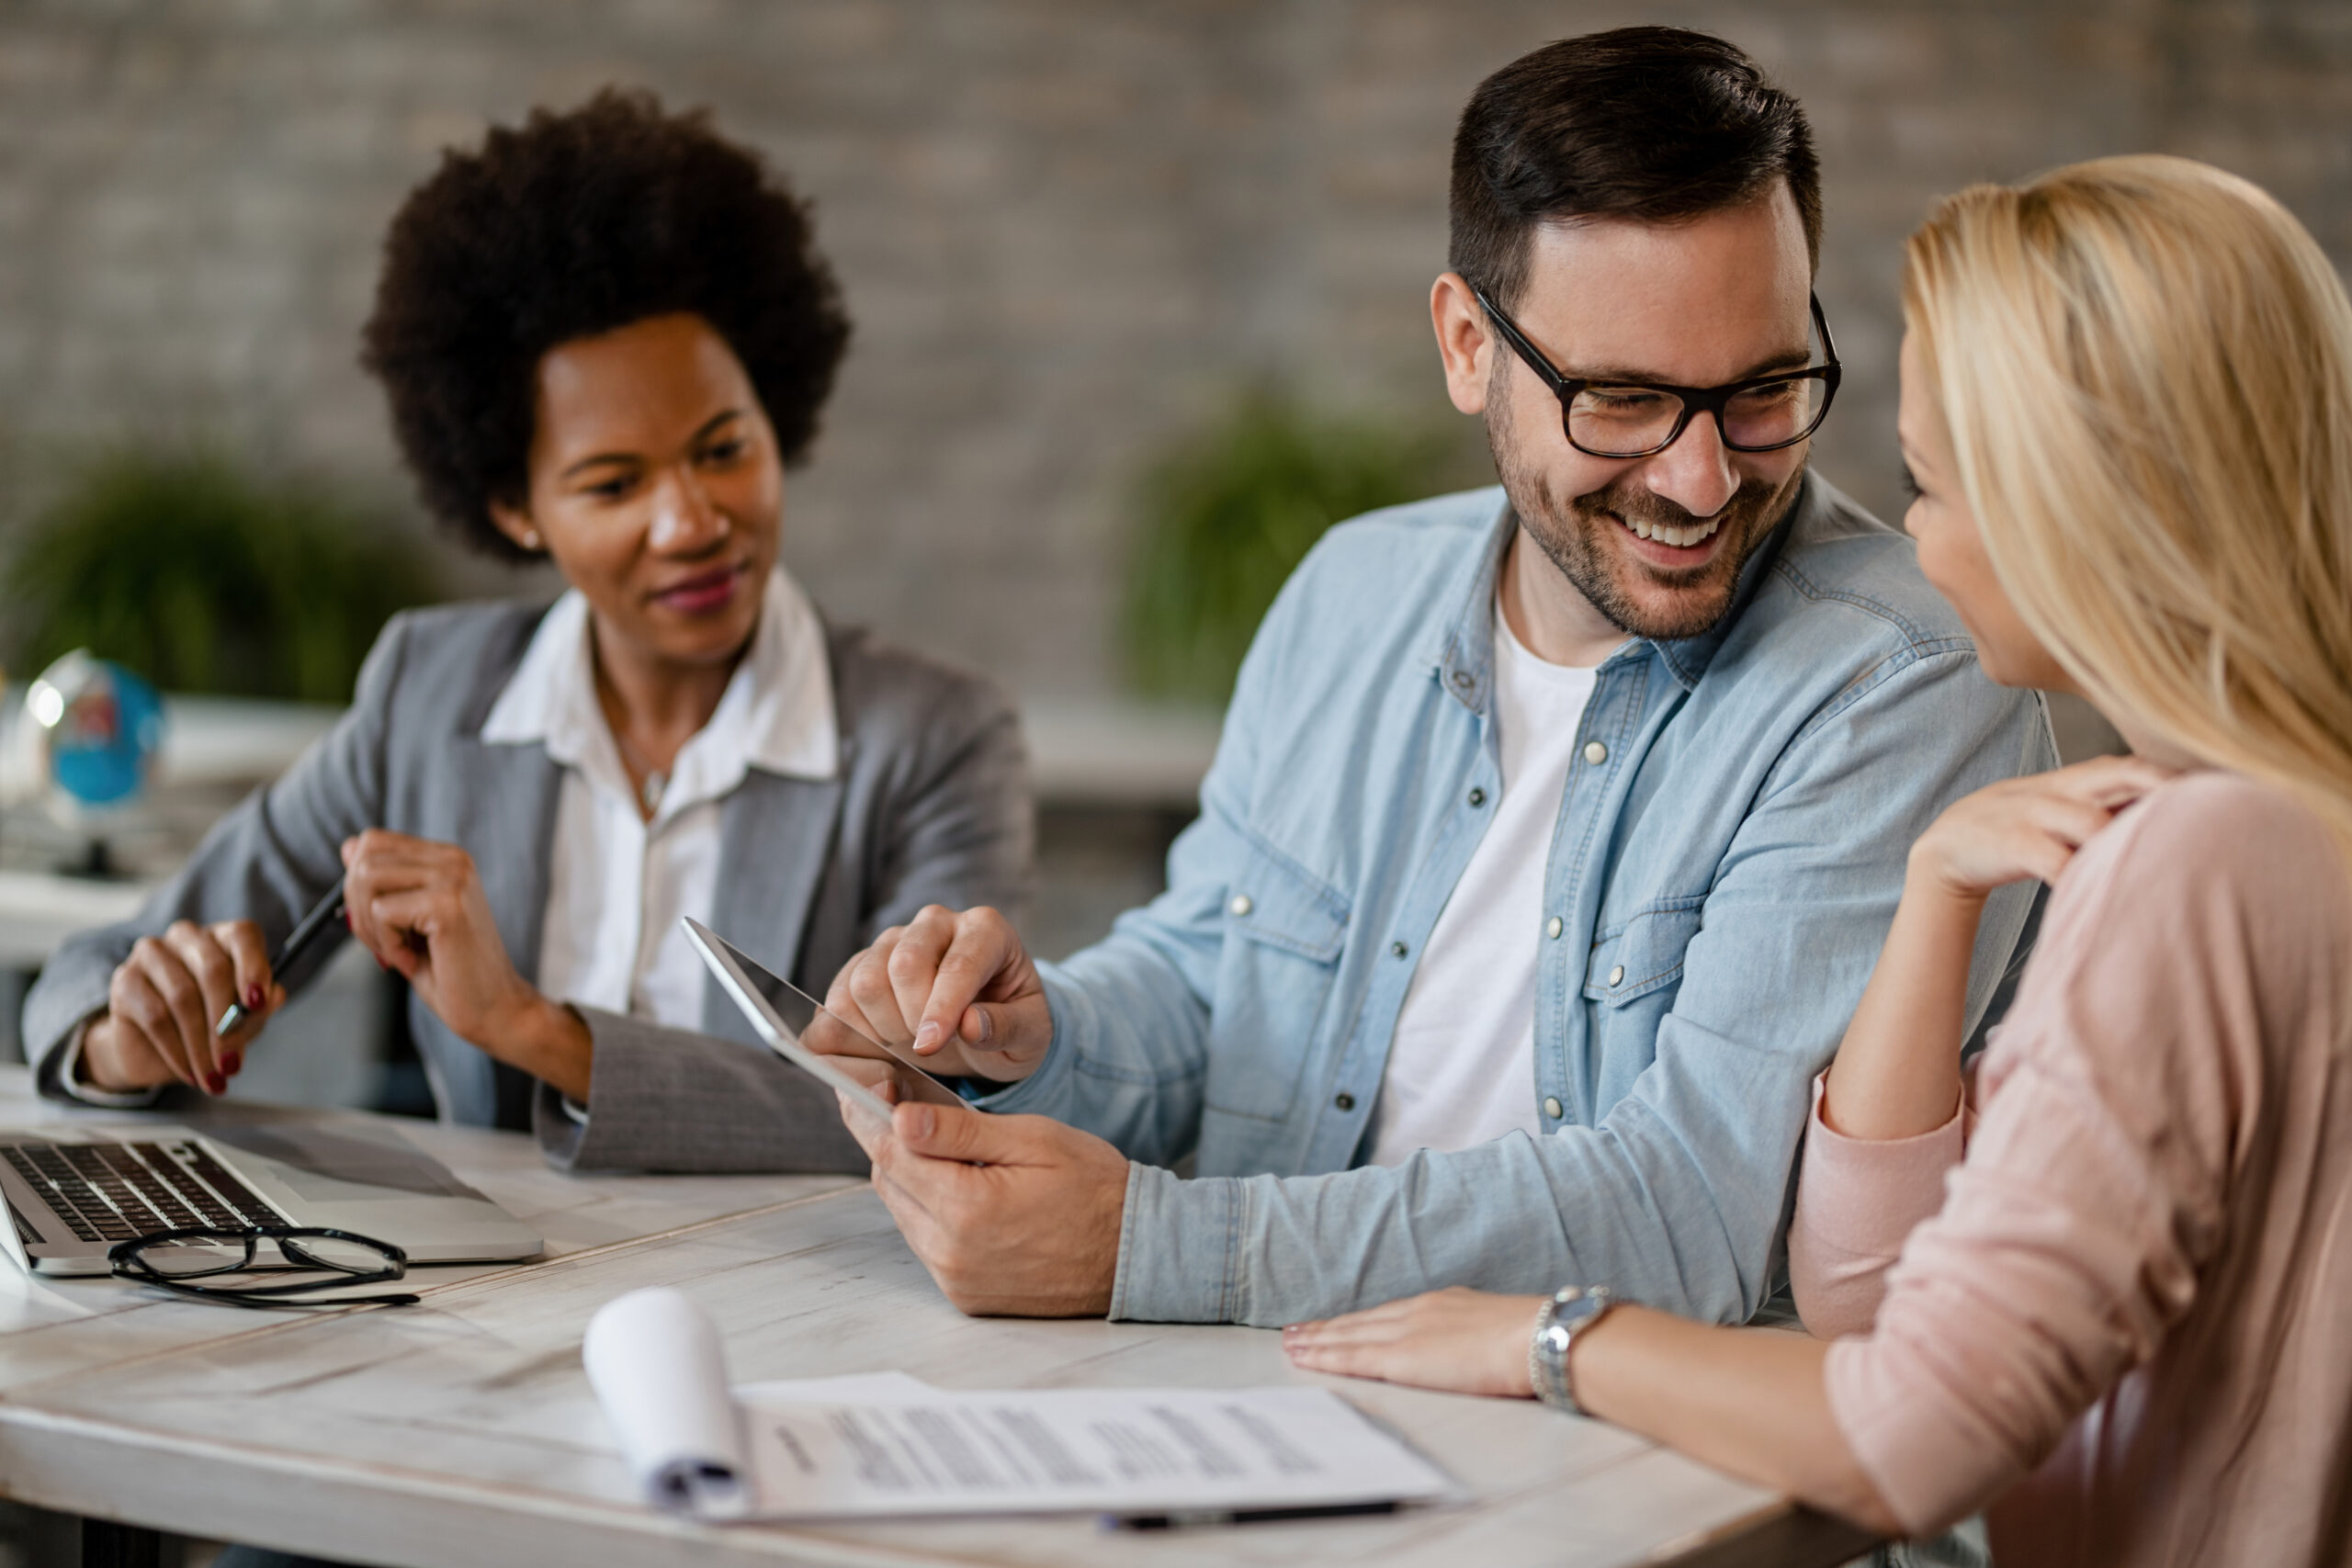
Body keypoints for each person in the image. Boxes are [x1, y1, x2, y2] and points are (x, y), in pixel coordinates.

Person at [818, 28, 2052, 1325]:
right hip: (1275, 1417)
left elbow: (1703, 1209)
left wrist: (1162, 1246)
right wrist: (1033, 1034)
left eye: (1762, 389)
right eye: (1621, 400)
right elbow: (1212, 981)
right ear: (1469, 345)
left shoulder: (1903, 672)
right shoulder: (1354, 591)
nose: (1701, 479)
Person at [1283, 154, 2352, 1566]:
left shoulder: (2203, 871)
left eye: (1931, 482)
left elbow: (1912, 1427)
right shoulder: (2257, 827)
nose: (1911, 533)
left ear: (2080, 504)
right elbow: (1871, 1295)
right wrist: (1934, 891)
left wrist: (1548, 1332)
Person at [21, 91, 1033, 1174]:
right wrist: (132, 1033)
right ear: (514, 507)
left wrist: (529, 1029)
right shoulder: (431, 696)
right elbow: (84, 980)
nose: (690, 521)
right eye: (612, 483)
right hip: (479, 1303)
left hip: (794, 1307)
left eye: (724, 448)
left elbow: (918, 1108)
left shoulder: (931, 739)